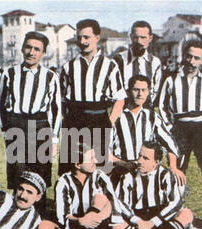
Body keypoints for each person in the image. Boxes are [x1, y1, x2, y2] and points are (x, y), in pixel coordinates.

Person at [115, 141, 202, 229]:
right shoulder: (128, 177)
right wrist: (138, 222)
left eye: (145, 158)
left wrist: (152, 222)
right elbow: (120, 203)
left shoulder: (165, 175)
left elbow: (175, 203)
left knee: (186, 214)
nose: (139, 161)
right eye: (140, 156)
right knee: (117, 224)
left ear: (156, 162)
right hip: (138, 222)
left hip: (161, 222)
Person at [158, 40, 202, 221]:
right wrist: (170, 127)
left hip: (201, 129)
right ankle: (178, 212)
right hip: (179, 129)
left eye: (197, 58)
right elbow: (162, 106)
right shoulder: (171, 79)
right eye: (189, 56)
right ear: (183, 56)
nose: (191, 61)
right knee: (178, 171)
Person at [0, 31, 62, 218]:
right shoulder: (9, 74)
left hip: (40, 126)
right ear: (22, 48)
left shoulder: (50, 77)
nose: (31, 52)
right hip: (16, 125)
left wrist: (55, 139)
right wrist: (5, 132)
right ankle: (16, 220)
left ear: (43, 53)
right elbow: (0, 105)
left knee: (40, 175)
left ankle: (38, 221)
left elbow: (56, 109)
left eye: (37, 49)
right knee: (18, 174)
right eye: (28, 47)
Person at [38, 142, 133, 229]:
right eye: (91, 158)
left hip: (99, 224)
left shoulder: (100, 176)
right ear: (78, 164)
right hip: (75, 227)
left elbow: (113, 203)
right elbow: (62, 217)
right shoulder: (63, 182)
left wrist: (94, 217)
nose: (95, 161)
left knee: (100, 199)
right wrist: (81, 221)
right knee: (43, 227)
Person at [59, 19, 126, 175]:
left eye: (87, 37)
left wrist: (108, 122)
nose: (82, 42)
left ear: (97, 37)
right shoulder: (68, 67)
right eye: (79, 37)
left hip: (99, 120)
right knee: (72, 168)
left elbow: (120, 98)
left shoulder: (110, 65)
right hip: (75, 121)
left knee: (99, 169)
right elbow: (62, 100)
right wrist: (69, 119)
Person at [109, 74, 184, 187]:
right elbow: (104, 152)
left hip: (148, 172)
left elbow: (170, 144)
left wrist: (173, 167)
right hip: (121, 171)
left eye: (143, 90)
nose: (140, 94)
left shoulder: (152, 116)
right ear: (128, 91)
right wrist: (125, 164)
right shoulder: (117, 117)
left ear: (148, 92)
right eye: (136, 90)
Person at [113, 20, 162, 108]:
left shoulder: (155, 62)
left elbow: (155, 90)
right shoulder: (119, 59)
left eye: (143, 37)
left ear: (150, 38)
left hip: (145, 111)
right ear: (131, 37)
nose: (139, 41)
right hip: (123, 110)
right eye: (136, 37)